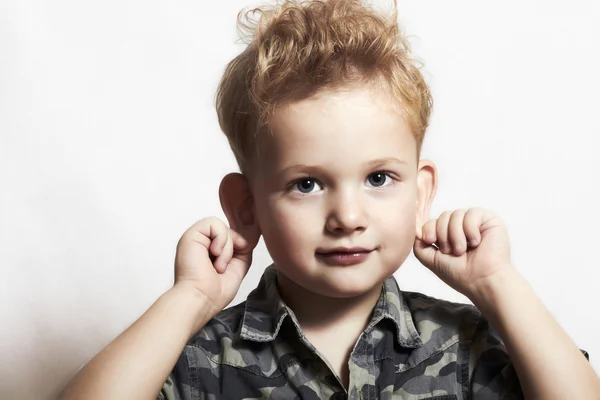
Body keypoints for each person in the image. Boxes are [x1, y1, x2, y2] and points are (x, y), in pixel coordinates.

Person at [59, 0, 598, 399]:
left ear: (421, 192)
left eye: (380, 178)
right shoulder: (204, 357)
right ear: (247, 207)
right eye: (307, 184)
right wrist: (191, 298)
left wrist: (495, 282)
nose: (348, 217)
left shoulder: (464, 343)